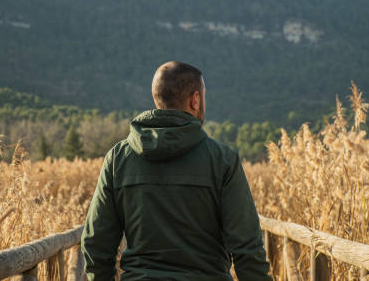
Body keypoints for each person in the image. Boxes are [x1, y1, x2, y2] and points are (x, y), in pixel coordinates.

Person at [81, 61, 272, 280]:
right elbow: (247, 248)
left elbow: (96, 243)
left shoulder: (118, 159)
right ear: (195, 100)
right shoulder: (222, 160)